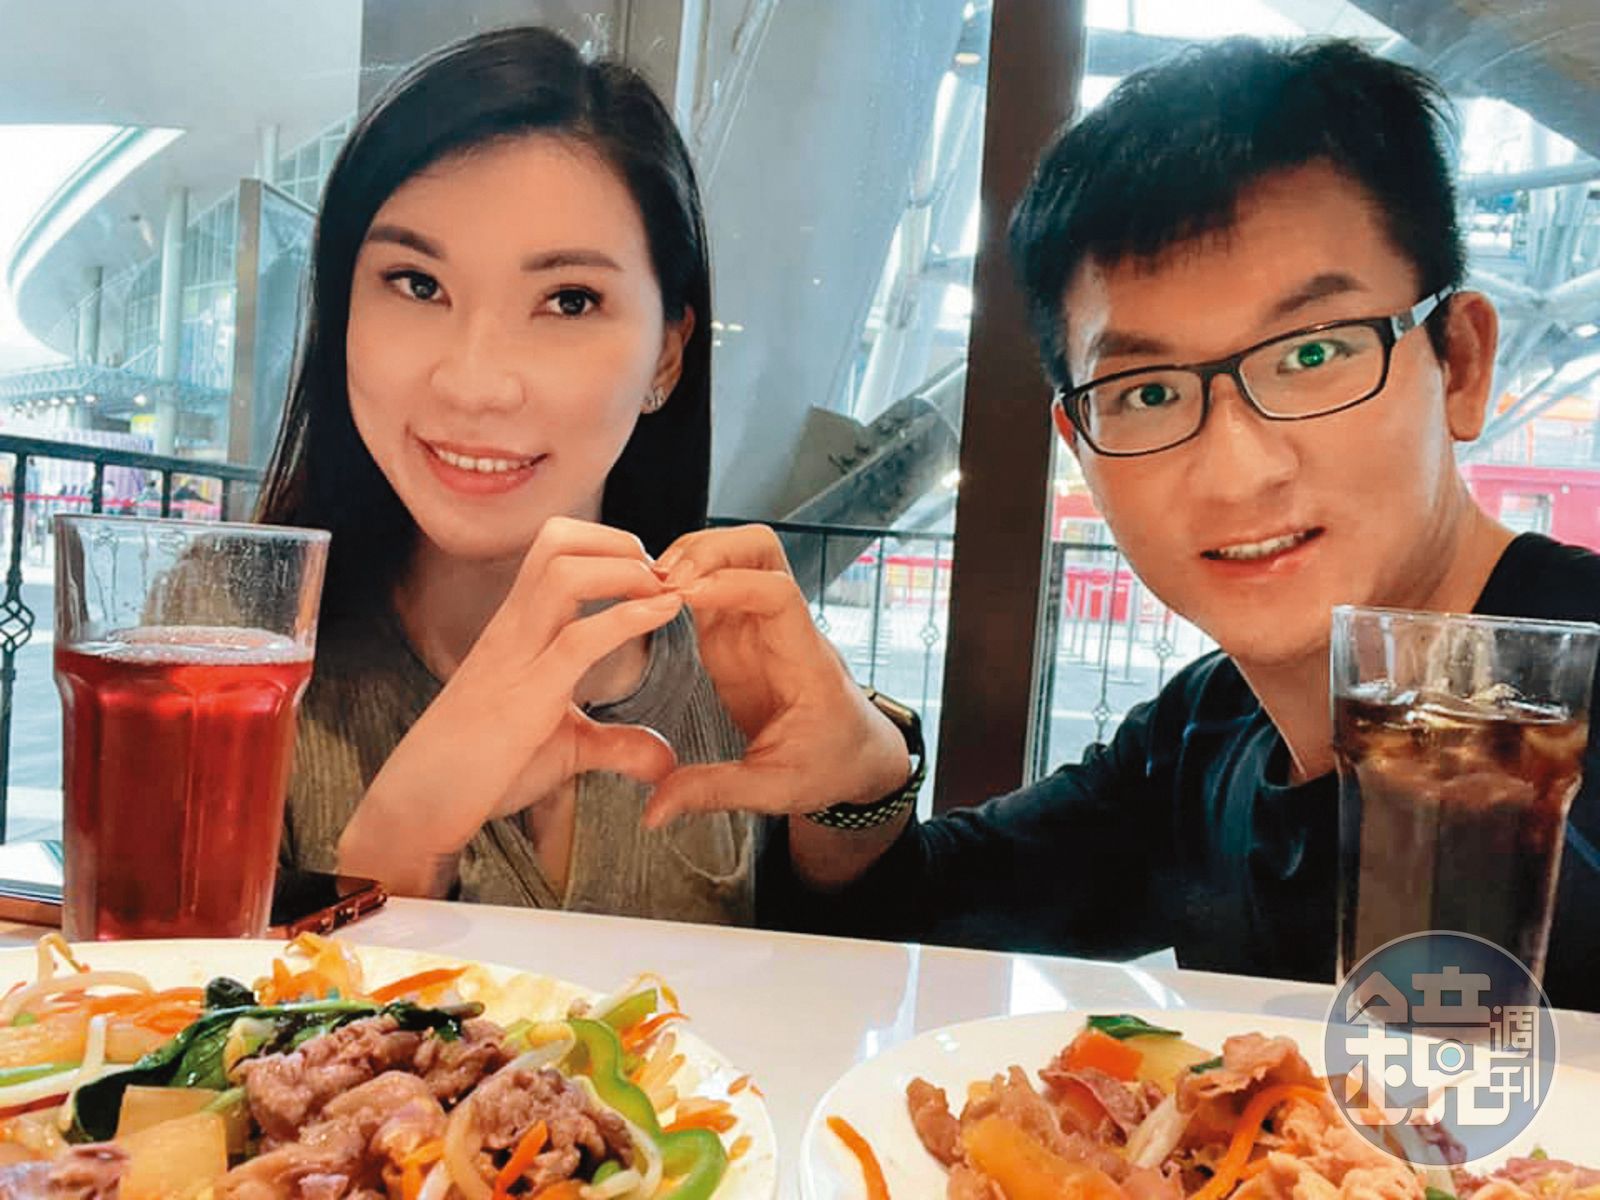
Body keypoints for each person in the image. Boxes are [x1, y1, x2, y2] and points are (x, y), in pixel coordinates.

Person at [642, 38, 1600, 1011]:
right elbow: (921, 921)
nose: (1238, 470)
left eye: (1311, 355)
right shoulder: (1208, 735)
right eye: (1145, 392)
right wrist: (858, 778)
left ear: (1461, 364)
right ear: (1081, 446)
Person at [254, 26, 758, 923]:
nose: (475, 384)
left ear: (666, 356)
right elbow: (138, 995)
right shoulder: (226, 650)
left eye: (569, 300)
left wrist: (866, 804)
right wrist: (395, 849)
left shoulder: (741, 674)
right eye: (417, 284)